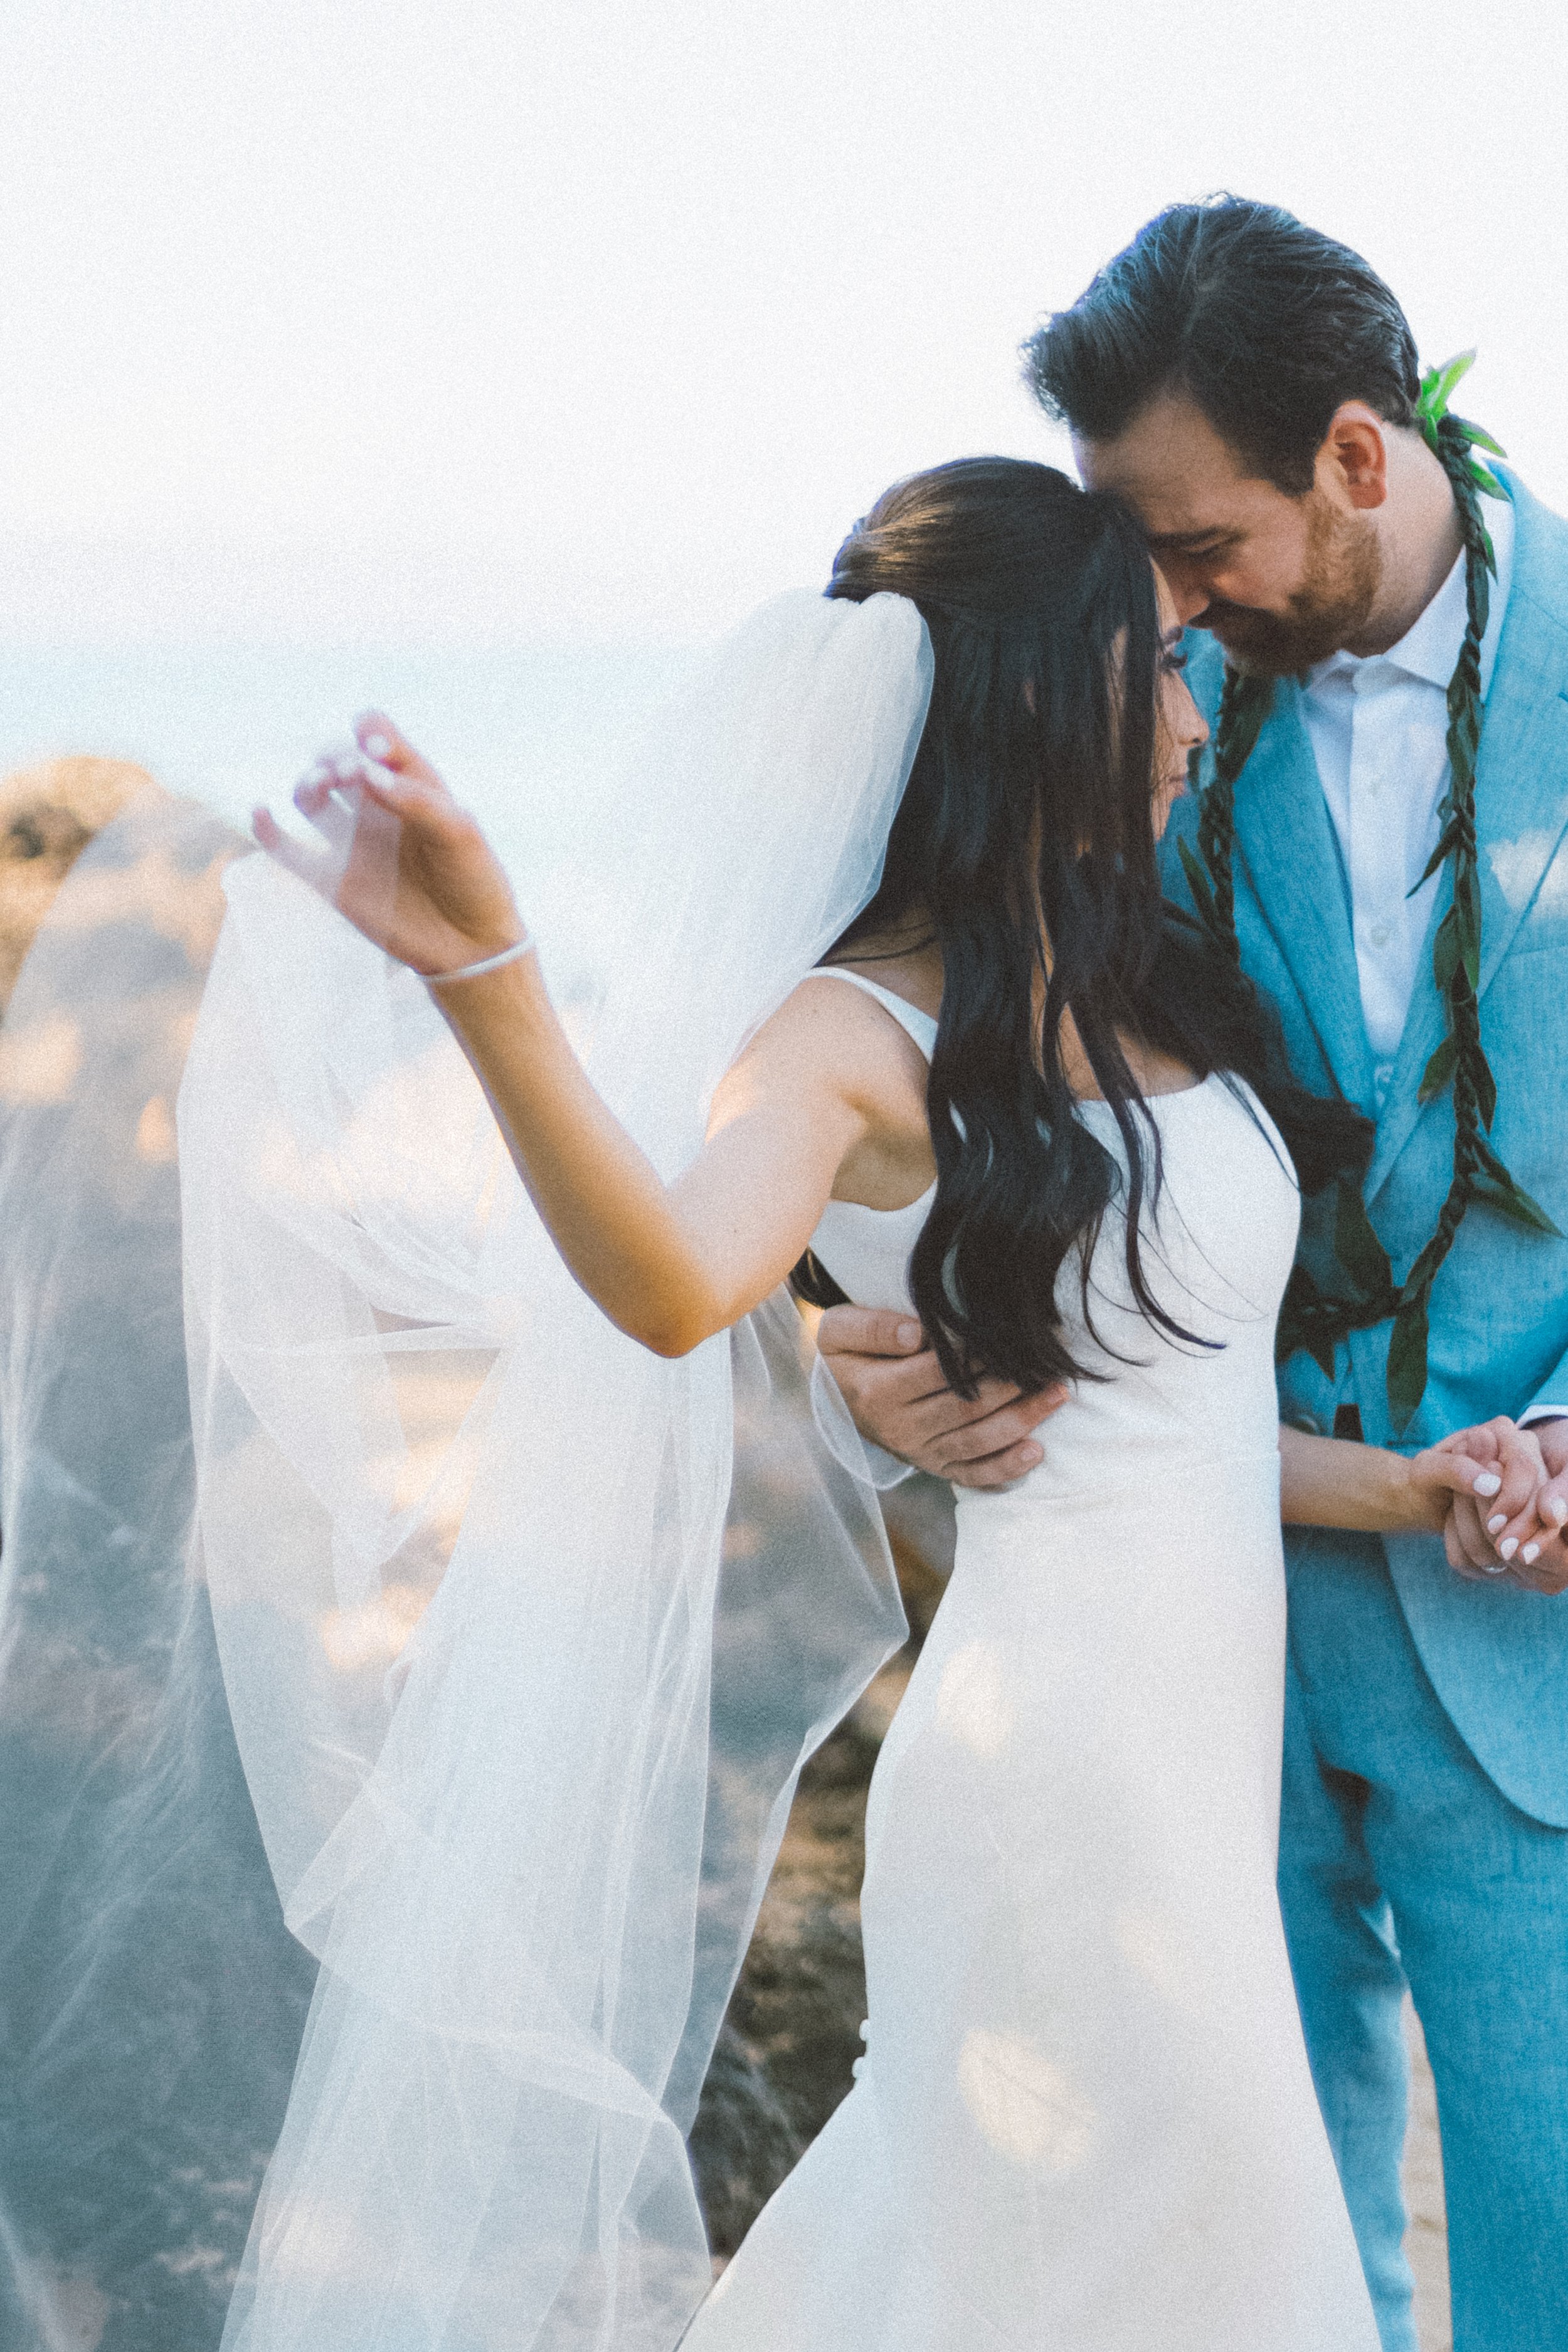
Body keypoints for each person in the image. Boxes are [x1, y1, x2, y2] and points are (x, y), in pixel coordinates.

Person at [182, 455, 1545, 2352]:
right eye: (1150, 667)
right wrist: (492, 978)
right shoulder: (846, 1035)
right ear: (1026, 701)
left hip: (1190, 1787)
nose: (1187, 708)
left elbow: (1173, 1425)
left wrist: (1420, 1490)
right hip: (1058, 1792)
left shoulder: (1132, 970)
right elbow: (667, 1280)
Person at [819, 201, 1568, 2352]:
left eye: (1197, 549)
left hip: (1526, 1613)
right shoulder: (1135, 707)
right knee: (1219, 2249)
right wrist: (853, 1327)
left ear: (1352, 460)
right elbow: (884, 996)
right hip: (1179, 1635)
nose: (1164, 608)